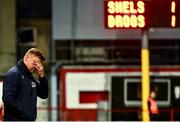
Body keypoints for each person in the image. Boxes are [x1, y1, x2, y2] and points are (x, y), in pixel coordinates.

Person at [2, 48, 48, 121]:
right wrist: (24, 113)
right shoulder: (14, 73)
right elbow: (8, 100)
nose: (37, 66)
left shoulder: (30, 78)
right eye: (35, 62)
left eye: (39, 63)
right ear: (26, 58)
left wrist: (42, 76)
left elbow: (44, 94)